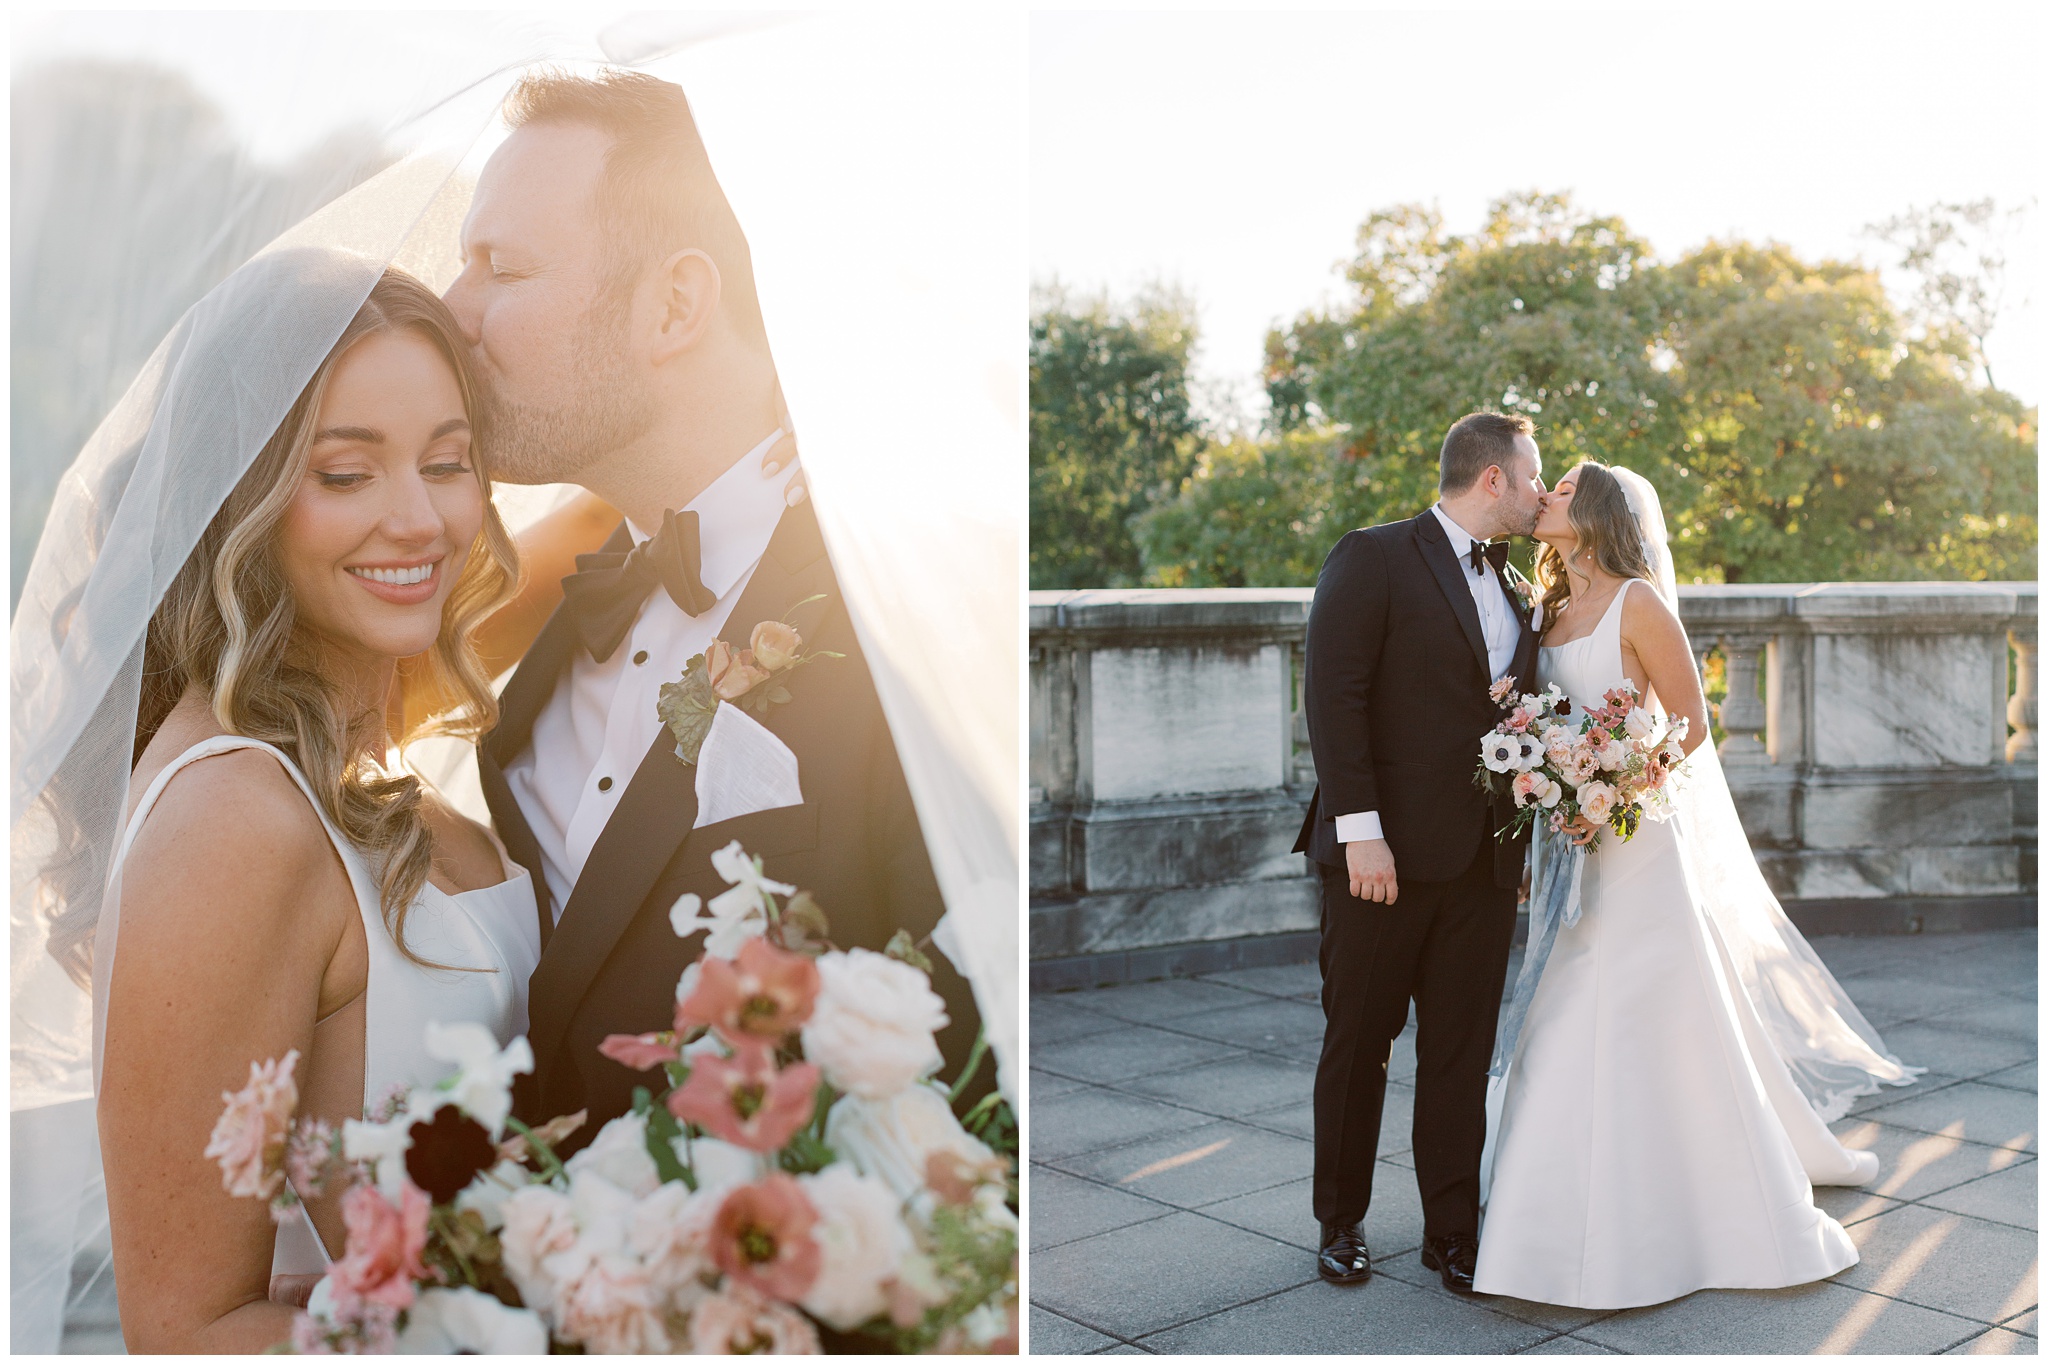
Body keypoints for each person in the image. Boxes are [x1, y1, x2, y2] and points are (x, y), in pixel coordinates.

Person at [443, 69, 982, 1139]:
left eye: (498, 268)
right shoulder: (547, 616)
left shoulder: (907, 620)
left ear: (677, 303)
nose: (451, 313)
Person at [89, 263, 543, 1351]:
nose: (420, 519)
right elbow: (186, 1335)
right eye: (345, 474)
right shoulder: (233, 819)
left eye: (448, 462)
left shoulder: (347, 759)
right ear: (236, 499)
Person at [1471, 461, 1915, 1309]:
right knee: (1560, 1004)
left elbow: (1692, 721)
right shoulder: (1547, 607)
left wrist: (1614, 784)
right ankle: (1548, 1209)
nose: (1544, 499)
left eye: (1559, 490)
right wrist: (1553, 783)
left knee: (1651, 1007)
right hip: (1571, 843)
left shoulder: (1640, 602)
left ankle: (1701, 1203)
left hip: (1636, 843)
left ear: (1593, 509)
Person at [1295, 410, 1547, 1292]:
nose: (1541, 492)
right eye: (1533, 476)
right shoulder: (1373, 555)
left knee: (1457, 1051)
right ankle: (1341, 1222)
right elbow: (1334, 695)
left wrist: (1515, 851)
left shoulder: (1517, 590)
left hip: (1481, 868)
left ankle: (1454, 1232)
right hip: (1381, 864)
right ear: (1493, 479)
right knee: (1359, 1042)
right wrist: (1360, 834)